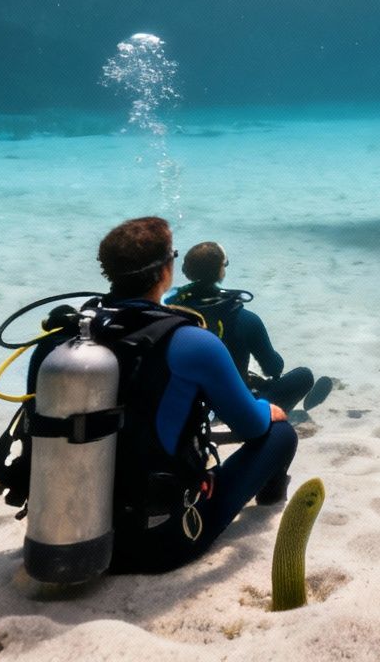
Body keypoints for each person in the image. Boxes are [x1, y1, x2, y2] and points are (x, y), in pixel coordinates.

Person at [94, 217, 298, 573]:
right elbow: (252, 427)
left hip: (69, 539)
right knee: (280, 432)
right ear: (166, 271)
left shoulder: (64, 340)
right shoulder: (191, 341)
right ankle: (271, 497)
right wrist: (266, 408)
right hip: (159, 545)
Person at [166, 240, 334, 413]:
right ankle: (269, 418)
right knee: (303, 376)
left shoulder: (170, 311)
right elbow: (273, 368)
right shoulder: (244, 319)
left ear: (187, 271)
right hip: (234, 407)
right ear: (220, 272)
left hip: (186, 404)